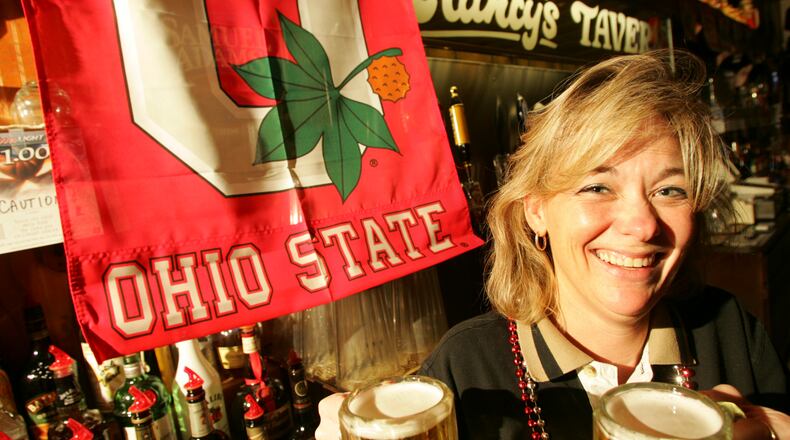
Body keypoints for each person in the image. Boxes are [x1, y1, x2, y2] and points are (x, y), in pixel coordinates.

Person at [316, 50, 790, 439]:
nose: (643, 225)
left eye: (670, 190)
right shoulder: (465, 369)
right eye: (597, 187)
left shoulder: (731, 330)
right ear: (535, 209)